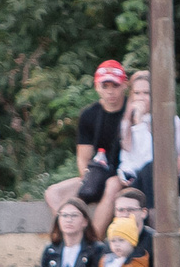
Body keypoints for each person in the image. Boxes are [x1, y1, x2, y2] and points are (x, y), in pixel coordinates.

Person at [44, 61, 129, 237]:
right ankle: (68, 240)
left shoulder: (132, 110)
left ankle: (92, 244)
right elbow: (83, 157)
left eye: (115, 85)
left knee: (112, 185)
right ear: (97, 87)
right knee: (53, 193)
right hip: (98, 171)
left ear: (125, 85)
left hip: (124, 176)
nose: (110, 91)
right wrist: (88, 179)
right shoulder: (89, 115)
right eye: (105, 86)